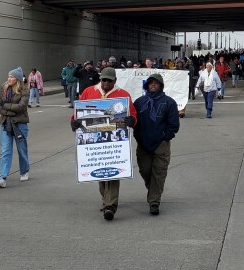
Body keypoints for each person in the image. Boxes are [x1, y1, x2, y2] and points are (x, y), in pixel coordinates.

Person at [72, 66, 137, 221]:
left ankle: (110, 206)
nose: (106, 83)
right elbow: (78, 112)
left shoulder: (123, 95)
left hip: (114, 141)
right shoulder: (89, 92)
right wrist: (73, 122)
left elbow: (133, 113)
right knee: (100, 172)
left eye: (109, 80)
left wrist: (132, 120)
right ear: (100, 79)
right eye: (104, 80)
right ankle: (105, 199)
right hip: (95, 141)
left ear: (114, 80)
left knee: (113, 172)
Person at [133, 73, 180, 215]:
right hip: (143, 143)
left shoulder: (169, 102)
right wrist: (137, 135)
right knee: (145, 171)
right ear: (147, 85)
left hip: (161, 144)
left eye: (156, 83)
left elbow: (174, 124)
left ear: (161, 85)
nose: (153, 85)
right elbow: (134, 121)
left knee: (159, 173)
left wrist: (166, 137)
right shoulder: (139, 102)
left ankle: (154, 202)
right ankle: (153, 190)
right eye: (150, 83)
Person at [0, 67, 30, 188]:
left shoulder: (24, 90)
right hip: (5, 123)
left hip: (20, 124)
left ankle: (24, 171)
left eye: (12, 77)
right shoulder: (3, 89)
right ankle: (2, 178)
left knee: (21, 149)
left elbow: (22, 106)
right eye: (8, 76)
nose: (9, 79)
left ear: (18, 79)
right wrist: (9, 111)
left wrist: (6, 106)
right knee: (5, 151)